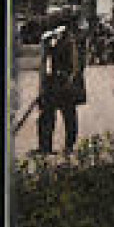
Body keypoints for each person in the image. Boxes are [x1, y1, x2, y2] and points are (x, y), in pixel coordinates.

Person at [36, 14, 83, 155]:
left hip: (64, 85)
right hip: (49, 85)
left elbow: (76, 64)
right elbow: (44, 64)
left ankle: (69, 146)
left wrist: (69, 79)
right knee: (46, 116)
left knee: (68, 116)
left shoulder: (70, 40)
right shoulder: (47, 39)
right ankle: (45, 147)